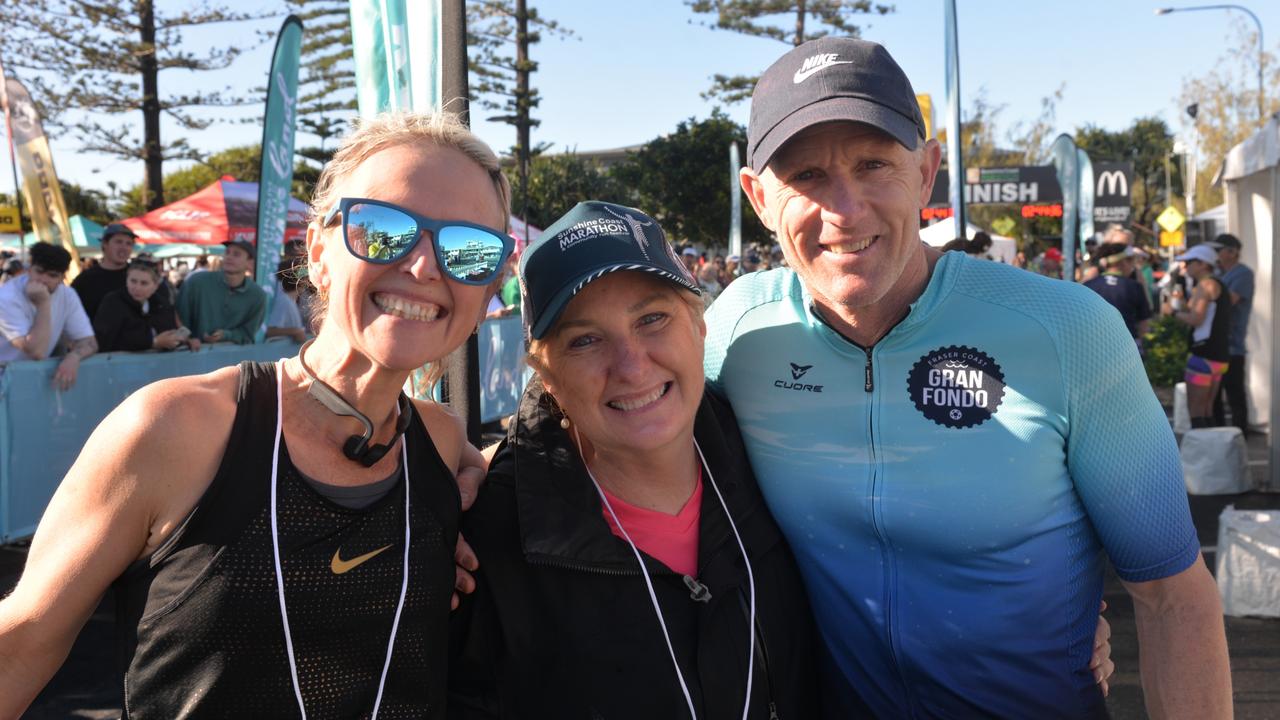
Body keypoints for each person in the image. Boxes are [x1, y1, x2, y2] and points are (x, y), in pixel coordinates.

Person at [709, 36, 1229, 718]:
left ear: (926, 174)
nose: (846, 208)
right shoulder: (735, 334)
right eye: (806, 176)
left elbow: (1172, 597)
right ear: (758, 197)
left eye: (874, 165)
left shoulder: (1068, 331)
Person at [0, 111, 511, 717]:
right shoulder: (179, 428)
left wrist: (484, 495)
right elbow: (23, 641)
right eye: (383, 228)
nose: (425, 266)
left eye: (469, 249)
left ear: (487, 291)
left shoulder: (441, 441)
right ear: (318, 253)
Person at [449, 201, 821, 719]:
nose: (631, 365)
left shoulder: (773, 453)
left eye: (652, 318)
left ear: (698, 326)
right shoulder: (487, 547)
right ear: (546, 375)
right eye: (584, 340)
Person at [0, 242, 97, 390]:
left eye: (52, 275)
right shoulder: (6, 298)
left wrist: (74, 357)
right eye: (39, 271)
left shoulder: (67, 295)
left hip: (30, 380)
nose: (43, 280)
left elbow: (89, 342)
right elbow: (37, 351)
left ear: (62, 277)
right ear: (29, 268)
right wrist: (43, 304)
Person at [1164, 244, 1231, 430]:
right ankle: (1213, 454)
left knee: (1196, 411)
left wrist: (1171, 313)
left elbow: (1196, 319)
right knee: (1208, 409)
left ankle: (1203, 455)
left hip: (1203, 356)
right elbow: (1204, 313)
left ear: (1203, 264)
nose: (1185, 267)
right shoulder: (1217, 284)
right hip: (1219, 357)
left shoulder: (1205, 284)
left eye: (1189, 262)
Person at [175, 238, 269, 344]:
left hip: (232, 357)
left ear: (250, 263)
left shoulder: (257, 295)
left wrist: (226, 335)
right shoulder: (196, 282)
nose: (229, 257)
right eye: (227, 252)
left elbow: (247, 333)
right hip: (189, 354)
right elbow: (178, 317)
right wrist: (188, 339)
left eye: (236, 254)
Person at [92, 259, 197, 353]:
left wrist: (186, 340)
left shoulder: (161, 304)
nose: (137, 288)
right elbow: (104, 339)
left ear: (155, 286)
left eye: (144, 283)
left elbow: (171, 330)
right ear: (126, 280)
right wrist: (152, 342)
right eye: (133, 281)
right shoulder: (113, 302)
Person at [1210, 233, 1254, 432]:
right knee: (1214, 397)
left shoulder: (1243, 274)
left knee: (1235, 396)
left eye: (1219, 249)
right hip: (1216, 346)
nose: (1216, 253)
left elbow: (1228, 301)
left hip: (1233, 347)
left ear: (1232, 252)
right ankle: (1220, 441)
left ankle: (1240, 440)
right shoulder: (1218, 274)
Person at [1083, 242, 1152, 342]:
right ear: (1123, 262)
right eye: (1131, 261)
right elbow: (1144, 327)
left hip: (1094, 345)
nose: (1133, 266)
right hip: (1126, 348)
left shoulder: (1088, 285)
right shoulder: (1135, 287)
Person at [71, 222, 138, 320]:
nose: (124, 247)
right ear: (104, 244)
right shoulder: (85, 280)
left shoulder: (139, 277)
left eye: (129, 243)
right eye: (118, 242)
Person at [265, 257, 309, 343]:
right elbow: (269, 331)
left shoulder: (289, 301)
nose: (307, 281)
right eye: (305, 277)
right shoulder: (284, 301)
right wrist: (296, 331)